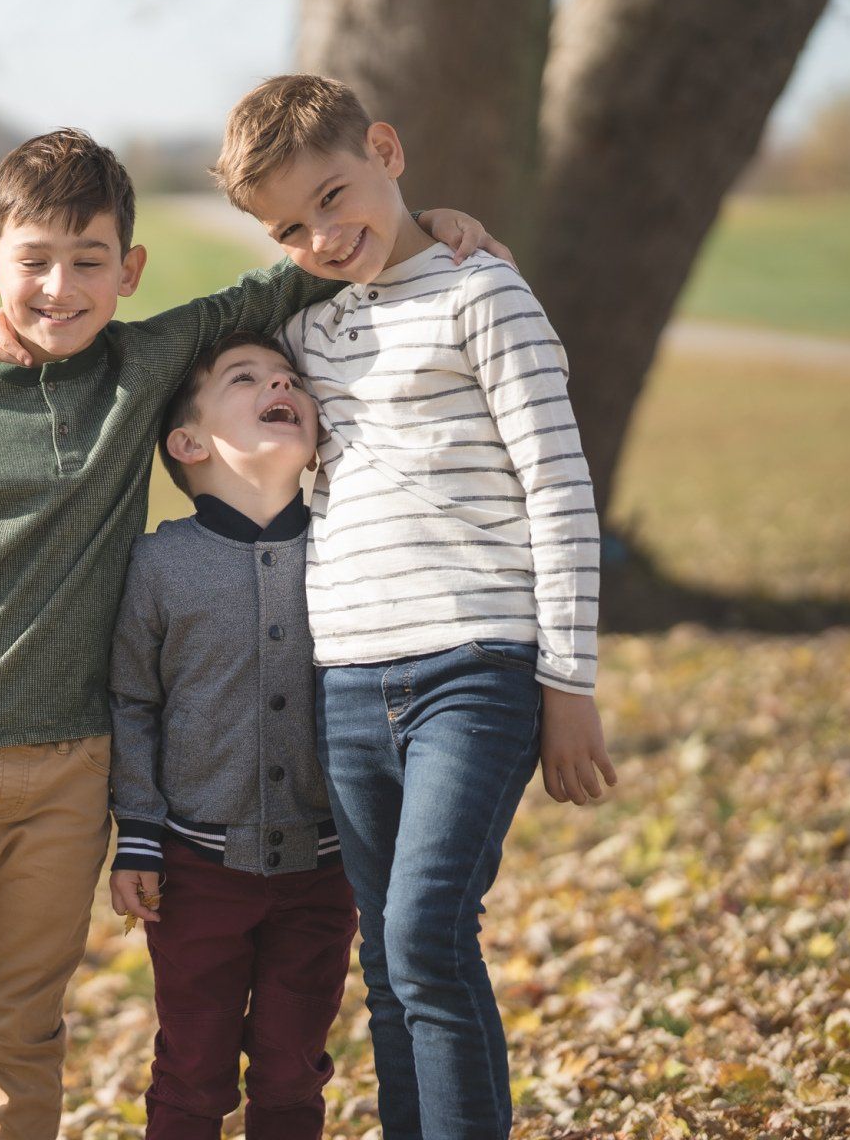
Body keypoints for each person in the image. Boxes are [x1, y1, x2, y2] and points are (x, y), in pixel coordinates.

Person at [0, 129, 488, 1137]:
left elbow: (271, 289)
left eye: (88, 262)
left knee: (24, 1023)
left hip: (69, 773)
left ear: (130, 270)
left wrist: (428, 233)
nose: (59, 287)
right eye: (34, 262)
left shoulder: (144, 366)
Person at [217, 74, 618, 1138]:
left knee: (428, 929)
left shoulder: (484, 294)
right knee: (389, 964)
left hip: (476, 667)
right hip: (346, 680)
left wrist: (568, 681)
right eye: (290, 226)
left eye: (336, 195)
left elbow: (561, 486)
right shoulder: (310, 327)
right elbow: (191, 359)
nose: (323, 232)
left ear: (386, 149)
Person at [108, 332, 355, 1139]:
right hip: (195, 873)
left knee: (293, 1072)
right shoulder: (159, 563)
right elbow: (132, 702)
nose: (279, 383)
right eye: (246, 379)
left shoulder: (348, 547)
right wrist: (138, 836)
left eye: (289, 378)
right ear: (189, 443)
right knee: (192, 1069)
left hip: (323, 871)